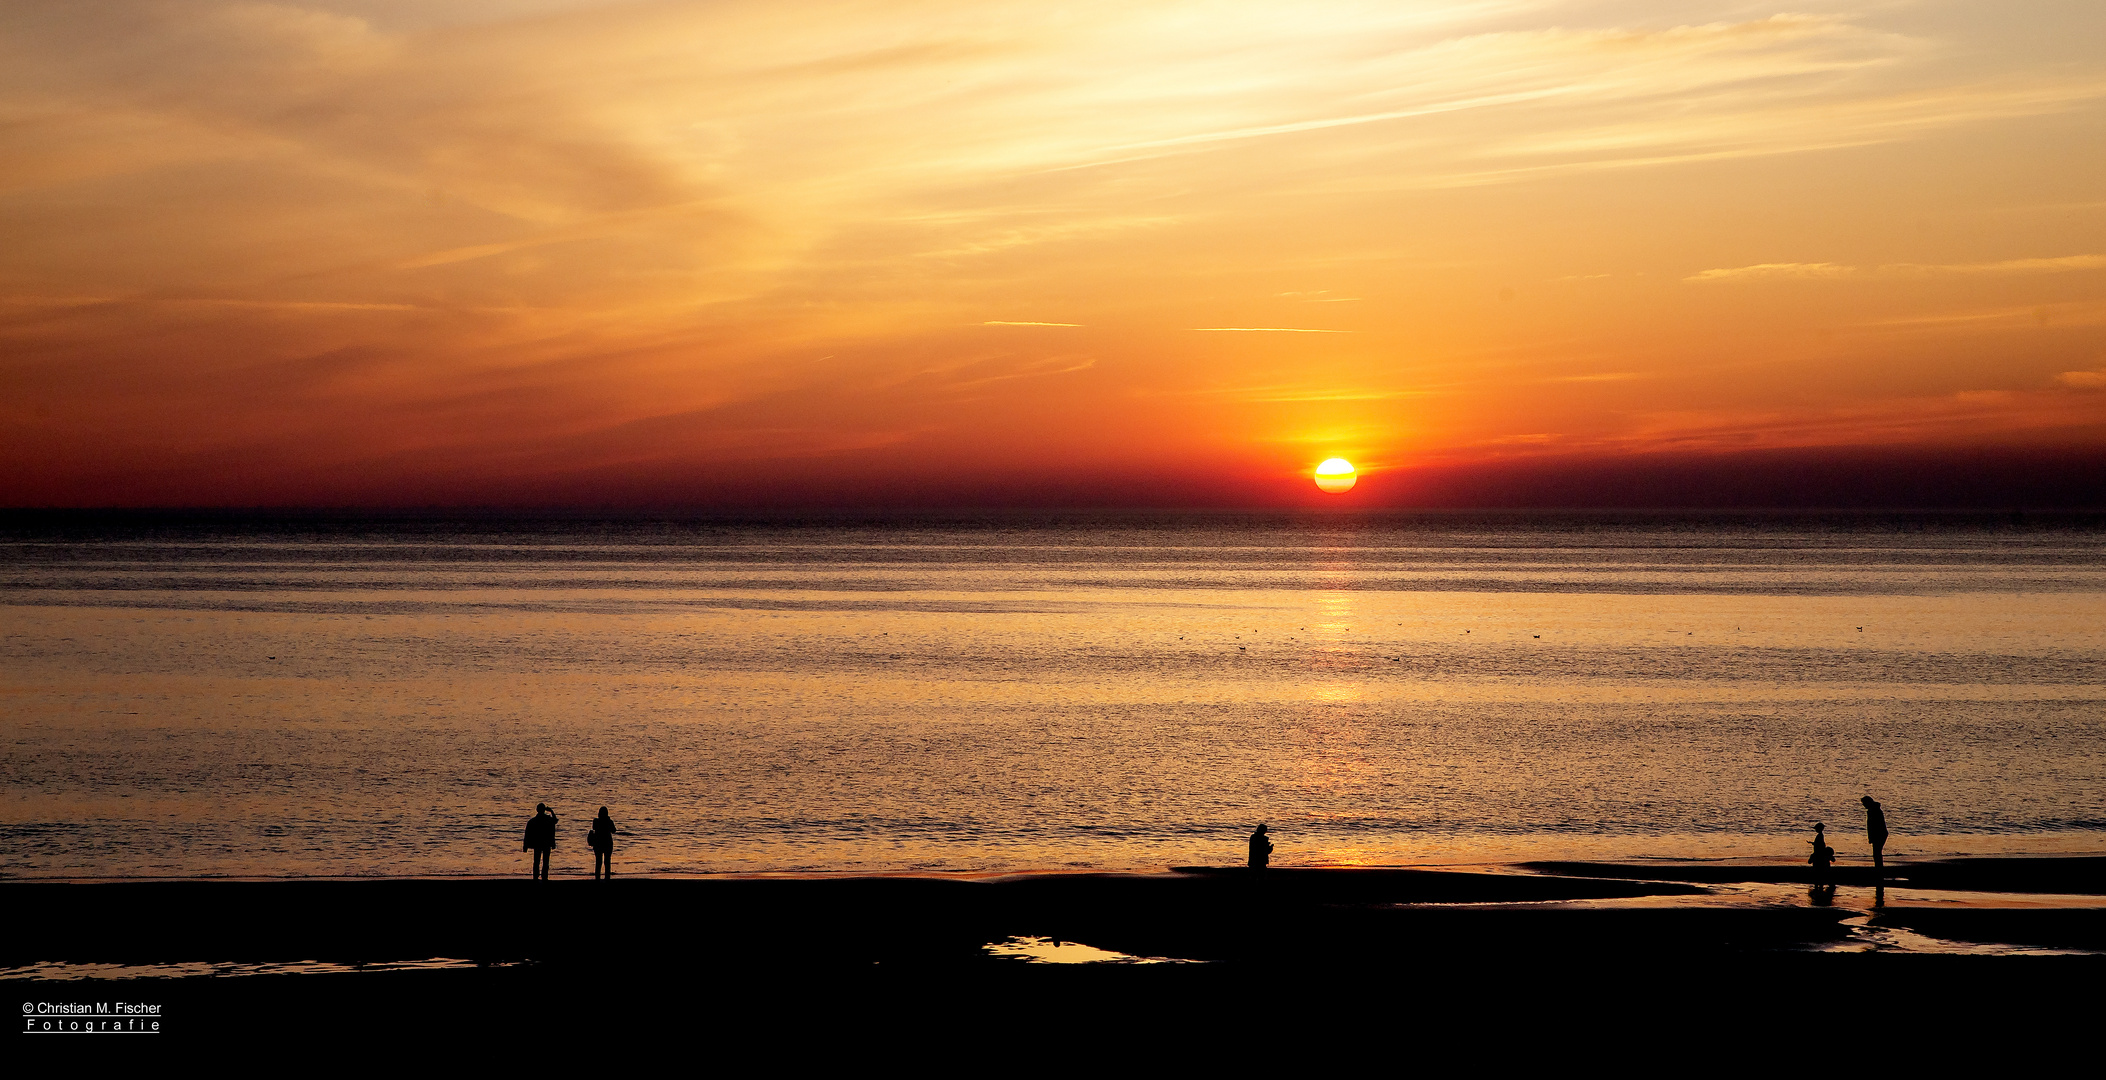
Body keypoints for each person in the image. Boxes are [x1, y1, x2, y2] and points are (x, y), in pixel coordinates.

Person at [524, 803, 557, 880]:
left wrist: (525, 845)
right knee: (545, 861)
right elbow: (555, 820)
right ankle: (544, 876)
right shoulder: (547, 819)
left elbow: (527, 834)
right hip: (545, 843)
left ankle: (536, 876)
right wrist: (551, 811)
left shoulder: (533, 821)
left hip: (538, 843)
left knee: (537, 861)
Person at [1861, 795, 1888, 878]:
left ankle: (1879, 870)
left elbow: (1873, 825)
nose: (1863, 805)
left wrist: (1872, 837)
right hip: (1880, 833)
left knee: (1877, 853)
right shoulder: (1874, 810)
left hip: (1879, 834)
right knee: (1877, 853)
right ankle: (1879, 869)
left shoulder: (1874, 811)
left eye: (1864, 803)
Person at [588, 806, 617, 880]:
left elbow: (594, 828)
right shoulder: (609, 821)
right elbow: (614, 830)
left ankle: (597, 878)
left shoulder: (596, 821)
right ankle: (607, 878)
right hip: (607, 843)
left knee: (598, 862)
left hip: (598, 843)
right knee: (607, 862)